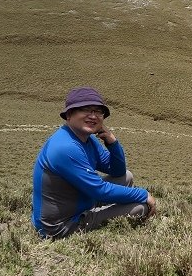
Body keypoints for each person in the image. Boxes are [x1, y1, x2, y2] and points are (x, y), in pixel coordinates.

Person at [31, 86, 156, 239]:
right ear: (69, 115)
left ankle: (102, 210)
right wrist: (143, 194)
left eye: (98, 111)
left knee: (127, 176)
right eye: (86, 110)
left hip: (79, 202)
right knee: (140, 207)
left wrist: (112, 142)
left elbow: (117, 171)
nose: (93, 116)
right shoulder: (66, 147)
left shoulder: (87, 139)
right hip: (60, 226)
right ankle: (97, 216)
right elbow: (100, 191)